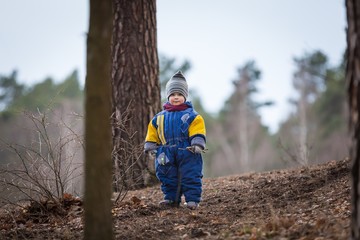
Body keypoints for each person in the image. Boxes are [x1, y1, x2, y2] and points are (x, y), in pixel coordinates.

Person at [144, 70, 206, 210]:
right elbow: (152, 131)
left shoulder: (192, 116)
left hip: (187, 151)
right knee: (167, 176)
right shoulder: (159, 117)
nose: (176, 97)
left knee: (190, 174)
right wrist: (150, 145)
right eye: (172, 94)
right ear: (167, 96)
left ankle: (192, 200)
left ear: (185, 96)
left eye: (179, 94)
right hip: (165, 152)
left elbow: (198, 130)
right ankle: (171, 199)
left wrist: (197, 143)